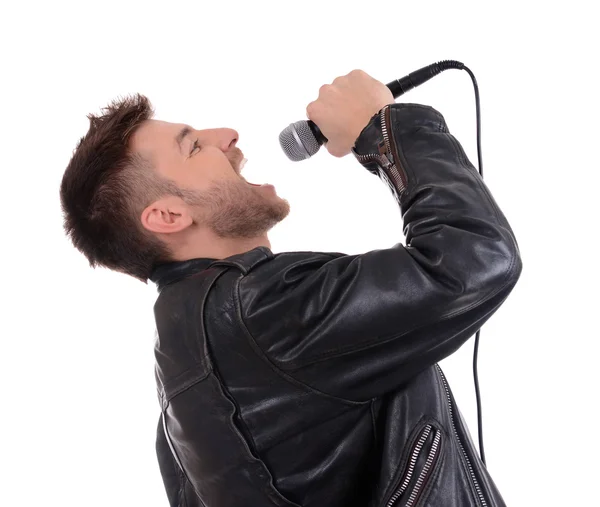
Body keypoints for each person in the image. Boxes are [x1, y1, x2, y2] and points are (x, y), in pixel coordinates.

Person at [60, 69, 522, 507]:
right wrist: (383, 129)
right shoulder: (262, 314)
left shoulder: (183, 384)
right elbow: (473, 258)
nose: (227, 135)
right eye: (195, 148)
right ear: (168, 216)